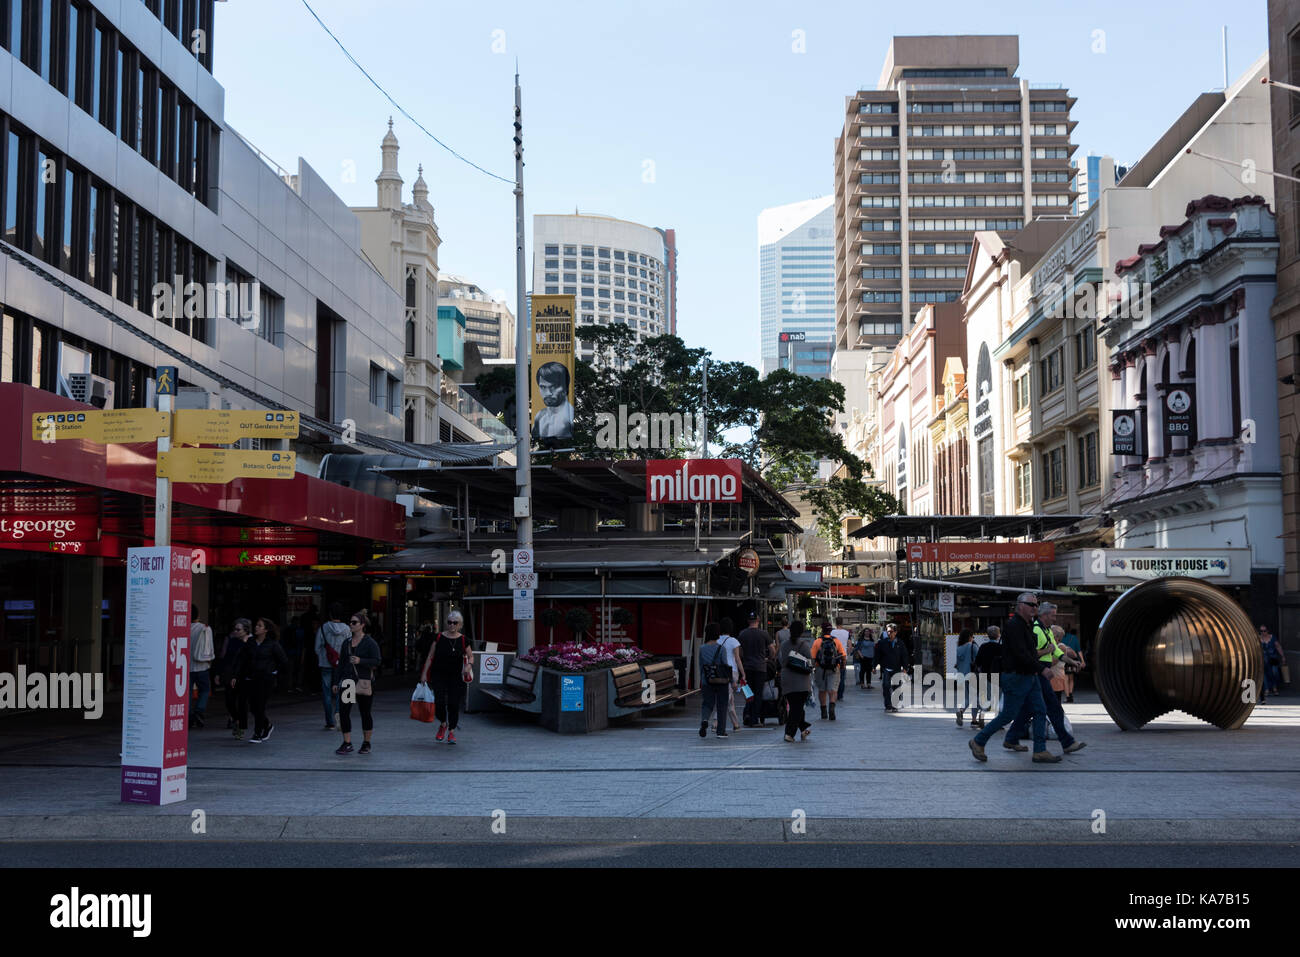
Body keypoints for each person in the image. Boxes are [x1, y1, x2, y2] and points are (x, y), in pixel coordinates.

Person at [969, 593, 1061, 764]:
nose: (1035, 608)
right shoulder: (1014, 626)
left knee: (1040, 710)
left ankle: (1040, 750)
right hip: (1017, 676)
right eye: (1031, 605)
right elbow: (1022, 654)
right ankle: (979, 741)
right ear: (1020, 605)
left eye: (1036, 605)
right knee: (1008, 715)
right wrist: (1041, 669)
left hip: (1029, 676)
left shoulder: (1027, 625)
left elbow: (1031, 652)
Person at [1002, 602, 1085, 754]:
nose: (1055, 618)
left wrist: (1073, 661)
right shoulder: (1036, 630)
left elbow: (1058, 653)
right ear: (1045, 615)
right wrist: (1047, 656)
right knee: (1053, 707)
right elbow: (1031, 654)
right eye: (1053, 615)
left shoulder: (1046, 631)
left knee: (1029, 709)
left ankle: (1012, 737)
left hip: (1040, 673)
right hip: (1038, 673)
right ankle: (1065, 742)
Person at [333, 611, 382, 755]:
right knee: (344, 712)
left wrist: (361, 661)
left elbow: (377, 661)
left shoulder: (369, 642)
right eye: (350, 622)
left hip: (363, 681)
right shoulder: (346, 642)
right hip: (348, 681)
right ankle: (347, 743)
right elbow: (341, 663)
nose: (351, 625)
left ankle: (366, 743)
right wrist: (336, 682)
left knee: (365, 713)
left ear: (362, 625)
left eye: (354, 622)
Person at [235, 618, 288, 743]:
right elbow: (242, 659)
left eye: (259, 626)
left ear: (266, 629)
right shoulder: (250, 642)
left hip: (266, 679)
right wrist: (237, 675)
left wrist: (274, 672)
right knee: (253, 706)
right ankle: (267, 725)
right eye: (256, 625)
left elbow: (284, 661)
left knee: (259, 705)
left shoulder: (273, 644)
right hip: (251, 678)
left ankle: (257, 733)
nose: (256, 627)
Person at [425, 610, 472, 744]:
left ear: (460, 624)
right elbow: (430, 656)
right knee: (439, 702)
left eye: (454, 623)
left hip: (456, 676)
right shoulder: (438, 637)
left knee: (453, 704)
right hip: (439, 674)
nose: (451, 625)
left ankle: (451, 731)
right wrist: (424, 674)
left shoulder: (464, 639)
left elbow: (471, 656)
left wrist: (469, 666)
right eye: (449, 622)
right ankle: (443, 723)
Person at [314, 604, 350, 731]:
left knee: (327, 693)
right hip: (341, 665)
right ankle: (339, 719)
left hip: (325, 664)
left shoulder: (323, 628)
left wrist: (324, 656)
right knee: (341, 692)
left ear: (330, 614)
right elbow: (349, 647)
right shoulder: (347, 629)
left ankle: (329, 722)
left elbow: (317, 647)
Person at [779, 621, 815, 742]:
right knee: (796, 708)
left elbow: (780, 660)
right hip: (801, 681)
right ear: (802, 632)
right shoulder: (804, 645)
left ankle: (804, 729)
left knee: (796, 706)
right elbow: (810, 663)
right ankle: (789, 733)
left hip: (787, 680)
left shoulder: (783, 645)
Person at [737, 610, 772, 727]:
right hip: (760, 668)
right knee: (758, 694)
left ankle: (747, 713)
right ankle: (754, 719)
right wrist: (768, 658)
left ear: (748, 621)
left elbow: (740, 652)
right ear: (758, 621)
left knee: (748, 692)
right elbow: (773, 650)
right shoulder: (764, 634)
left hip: (747, 668)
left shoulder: (742, 634)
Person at [698, 623, 731, 738]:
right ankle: (721, 731)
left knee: (707, 703)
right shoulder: (721, 649)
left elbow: (701, 666)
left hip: (707, 680)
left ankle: (705, 720)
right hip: (721, 681)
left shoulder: (702, 649)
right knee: (722, 704)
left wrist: (703, 680)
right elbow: (725, 664)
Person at [220, 619, 251, 739]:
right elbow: (226, 658)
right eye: (235, 629)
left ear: (246, 630)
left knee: (242, 702)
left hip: (244, 676)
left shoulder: (250, 643)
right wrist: (219, 673)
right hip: (231, 674)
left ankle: (240, 727)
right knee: (229, 701)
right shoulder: (232, 642)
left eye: (238, 630)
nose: (235, 632)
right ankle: (236, 718)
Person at [809, 622, 845, 720]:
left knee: (822, 690)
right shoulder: (836, 641)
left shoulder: (817, 641)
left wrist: (813, 667)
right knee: (833, 689)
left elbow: (812, 657)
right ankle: (832, 707)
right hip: (834, 668)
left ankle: (823, 711)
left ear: (822, 630)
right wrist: (842, 666)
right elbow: (843, 655)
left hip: (820, 668)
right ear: (830, 630)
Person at [715, 617, 746, 732]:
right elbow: (737, 659)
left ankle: (736, 724)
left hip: (720, 671)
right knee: (726, 697)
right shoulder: (734, 641)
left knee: (729, 697)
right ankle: (715, 721)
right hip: (731, 671)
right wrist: (743, 673)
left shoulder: (717, 640)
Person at [531, 361, 574, 441]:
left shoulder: (571, 417)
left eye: (553, 387)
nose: (548, 393)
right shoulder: (540, 416)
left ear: (565, 387)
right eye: (543, 387)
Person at [970, 625, 1003, 729]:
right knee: (997, 699)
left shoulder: (983, 647)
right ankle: (997, 723)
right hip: (998, 677)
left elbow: (977, 662)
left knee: (985, 698)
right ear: (998, 635)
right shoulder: (1001, 648)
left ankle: (982, 715)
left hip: (984, 676)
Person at [188, 605, 215, 729]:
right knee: (204, 690)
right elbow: (209, 647)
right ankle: (199, 711)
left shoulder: (181, 627)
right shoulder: (204, 628)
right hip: (202, 666)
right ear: (197, 615)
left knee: (186, 693)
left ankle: (188, 716)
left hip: (186, 667)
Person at [875, 624, 910, 712]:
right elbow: (877, 655)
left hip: (896, 668)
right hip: (886, 668)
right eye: (888, 632)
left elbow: (904, 656)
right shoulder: (882, 643)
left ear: (895, 632)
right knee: (886, 686)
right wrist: (873, 666)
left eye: (891, 632)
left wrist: (905, 668)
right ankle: (888, 705)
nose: (889, 633)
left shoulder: (900, 643)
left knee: (896, 687)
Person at [952, 629, 976, 727]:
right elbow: (978, 659)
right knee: (975, 698)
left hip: (962, 675)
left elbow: (957, 664)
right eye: (972, 636)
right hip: (972, 675)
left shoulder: (959, 648)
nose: (973, 638)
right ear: (969, 637)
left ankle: (961, 711)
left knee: (967, 697)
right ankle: (974, 720)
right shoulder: (972, 646)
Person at [1260, 625, 1284, 701]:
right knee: (1264, 675)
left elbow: (1278, 646)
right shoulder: (1259, 638)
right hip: (1263, 660)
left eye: (1264, 631)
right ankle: (1267, 689)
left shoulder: (1272, 638)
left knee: (1275, 672)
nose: (1263, 632)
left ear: (1268, 631)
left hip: (1273, 659)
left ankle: (1274, 687)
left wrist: (1282, 656)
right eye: (1261, 631)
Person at [1060, 626, 1083, 702]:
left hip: (1064, 659)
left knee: (1066, 678)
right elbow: (1079, 651)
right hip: (1073, 660)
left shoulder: (1061, 639)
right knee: (1071, 678)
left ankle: (1067, 697)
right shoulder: (1074, 638)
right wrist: (1083, 661)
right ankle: (1071, 694)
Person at [831, 618, 852, 701]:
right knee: (842, 677)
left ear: (835, 623)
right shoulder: (847, 633)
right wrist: (847, 653)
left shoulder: (832, 632)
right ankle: (840, 695)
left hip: (833, 657)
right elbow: (850, 646)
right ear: (842, 623)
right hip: (843, 657)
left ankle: (834, 693)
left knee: (833, 676)